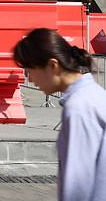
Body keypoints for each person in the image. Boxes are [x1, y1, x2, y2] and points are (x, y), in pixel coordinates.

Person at [13, 28, 106, 201]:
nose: (30, 79)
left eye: (29, 70)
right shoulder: (93, 95)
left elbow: (78, 187)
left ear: (52, 66)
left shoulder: (79, 107)